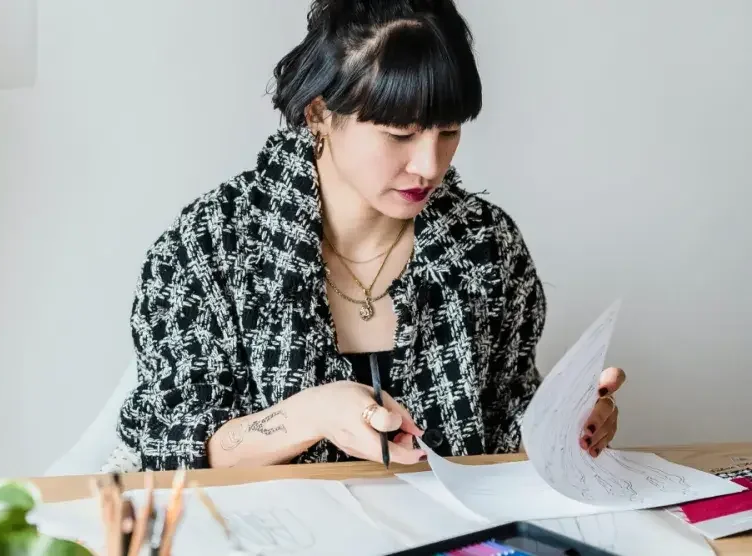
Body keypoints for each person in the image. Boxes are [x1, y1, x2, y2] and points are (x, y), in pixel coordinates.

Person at [102, 0, 627, 473]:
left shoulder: (485, 244)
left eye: (448, 131)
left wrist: (568, 421)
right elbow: (165, 447)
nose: (429, 165)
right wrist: (311, 415)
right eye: (400, 134)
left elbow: (506, 424)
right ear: (319, 114)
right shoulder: (212, 247)